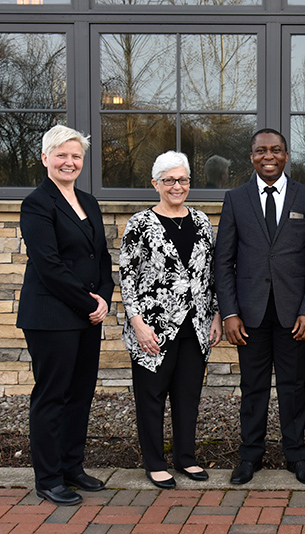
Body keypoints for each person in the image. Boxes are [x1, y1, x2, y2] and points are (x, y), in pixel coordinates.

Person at [215, 128, 305, 486]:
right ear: (251, 157)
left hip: (294, 315)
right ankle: (250, 455)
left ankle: (297, 455)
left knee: (294, 387)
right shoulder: (236, 199)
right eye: (261, 151)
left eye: (276, 150)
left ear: (286, 155)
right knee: (253, 387)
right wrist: (229, 312)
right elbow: (224, 260)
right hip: (250, 315)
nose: (268, 156)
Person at [17, 125, 114, 506]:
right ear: (45, 158)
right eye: (61, 155)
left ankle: (73, 467)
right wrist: (90, 303)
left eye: (75, 156)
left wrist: (104, 298)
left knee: (80, 395)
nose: (69, 162)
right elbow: (50, 266)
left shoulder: (88, 201)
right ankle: (49, 478)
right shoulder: (37, 204)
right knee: (52, 396)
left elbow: (101, 256)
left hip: (88, 315)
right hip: (51, 316)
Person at [119, 151, 222, 489]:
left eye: (183, 180)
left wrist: (217, 314)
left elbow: (212, 274)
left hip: (196, 326)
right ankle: (154, 462)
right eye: (169, 180)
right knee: (151, 396)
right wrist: (137, 322)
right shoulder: (140, 224)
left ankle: (185, 458)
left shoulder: (202, 222)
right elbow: (128, 276)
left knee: (187, 395)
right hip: (153, 328)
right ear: (155, 184)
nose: (177, 186)